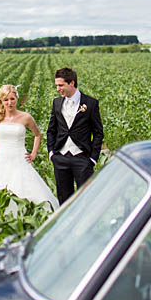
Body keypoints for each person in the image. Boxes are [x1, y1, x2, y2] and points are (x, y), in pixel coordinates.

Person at [0, 84, 58, 211]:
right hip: (1, 160)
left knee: (25, 189)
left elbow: (38, 135)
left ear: (17, 99)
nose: (9, 103)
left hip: (20, 159)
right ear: (1, 101)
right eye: (6, 100)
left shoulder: (26, 117)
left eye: (12, 99)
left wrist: (33, 153)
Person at [47, 67, 104, 205]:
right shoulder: (57, 103)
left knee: (86, 199)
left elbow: (98, 132)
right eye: (56, 85)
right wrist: (52, 153)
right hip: (60, 157)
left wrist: (92, 159)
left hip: (82, 158)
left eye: (61, 85)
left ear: (71, 83)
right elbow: (51, 130)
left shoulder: (90, 103)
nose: (58, 89)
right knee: (64, 200)